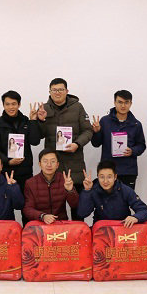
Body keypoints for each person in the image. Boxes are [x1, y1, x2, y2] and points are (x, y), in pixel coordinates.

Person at [36, 78, 93, 220]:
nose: (57, 93)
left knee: (77, 209)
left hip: (75, 165)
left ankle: (78, 233)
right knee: (55, 209)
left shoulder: (77, 107)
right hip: (53, 167)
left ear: (67, 91)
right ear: (49, 92)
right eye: (54, 90)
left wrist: (77, 144)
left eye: (61, 89)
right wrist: (40, 121)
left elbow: (88, 131)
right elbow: (38, 136)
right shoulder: (43, 109)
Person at [90, 90, 146, 190]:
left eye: (126, 102)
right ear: (114, 102)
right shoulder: (104, 121)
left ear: (131, 103)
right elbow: (96, 144)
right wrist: (97, 132)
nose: (123, 106)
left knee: (126, 199)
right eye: (120, 102)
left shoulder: (136, 124)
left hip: (128, 171)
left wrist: (132, 151)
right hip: (107, 171)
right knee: (106, 199)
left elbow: (141, 146)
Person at [0, 90, 41, 195]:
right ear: (3, 105)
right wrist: (8, 161)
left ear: (19, 104)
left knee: (26, 201)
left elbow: (35, 141)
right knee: (6, 202)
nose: (11, 107)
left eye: (14, 104)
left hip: (25, 171)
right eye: (7, 104)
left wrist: (33, 121)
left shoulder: (26, 121)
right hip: (6, 172)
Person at [77, 160, 147, 227]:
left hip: (122, 228)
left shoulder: (125, 190)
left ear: (115, 177)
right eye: (102, 177)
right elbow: (82, 213)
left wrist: (135, 217)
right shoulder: (94, 190)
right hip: (101, 229)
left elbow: (144, 210)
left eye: (109, 177)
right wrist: (87, 191)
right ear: (97, 177)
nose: (105, 181)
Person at [23, 148, 79, 223]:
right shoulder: (30, 183)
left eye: (52, 161)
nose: (49, 165)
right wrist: (42, 216)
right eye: (45, 161)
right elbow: (27, 209)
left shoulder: (64, 180)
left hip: (60, 223)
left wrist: (70, 190)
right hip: (39, 223)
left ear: (57, 165)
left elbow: (75, 205)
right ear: (39, 164)